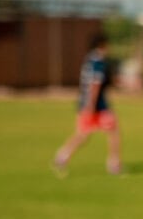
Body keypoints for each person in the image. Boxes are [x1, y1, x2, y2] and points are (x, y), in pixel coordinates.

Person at [52, 33, 122, 176]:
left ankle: (62, 156)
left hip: (87, 102)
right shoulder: (98, 61)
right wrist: (91, 104)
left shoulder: (89, 59)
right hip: (97, 105)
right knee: (109, 132)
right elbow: (95, 84)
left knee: (86, 134)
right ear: (103, 45)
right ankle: (113, 164)